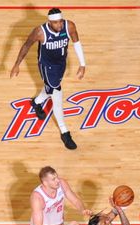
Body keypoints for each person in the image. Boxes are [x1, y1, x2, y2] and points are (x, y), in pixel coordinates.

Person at [10, 8, 86, 150]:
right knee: (56, 92)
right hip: (47, 66)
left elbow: (76, 43)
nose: (59, 25)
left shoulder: (69, 26)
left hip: (61, 63)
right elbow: (26, 45)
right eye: (55, 23)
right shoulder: (40, 32)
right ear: (49, 22)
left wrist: (82, 64)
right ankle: (64, 132)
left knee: (50, 88)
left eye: (60, 22)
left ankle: (36, 102)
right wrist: (16, 64)